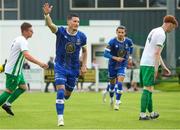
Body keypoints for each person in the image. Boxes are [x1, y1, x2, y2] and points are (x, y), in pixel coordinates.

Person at [43, 3, 87, 126]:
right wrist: (47, 14)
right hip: (60, 67)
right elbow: (51, 25)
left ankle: (62, 100)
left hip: (73, 69)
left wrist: (83, 65)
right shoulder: (61, 31)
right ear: (69, 22)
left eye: (78, 21)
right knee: (60, 91)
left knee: (67, 95)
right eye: (74, 21)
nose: (77, 23)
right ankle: (60, 118)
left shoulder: (82, 36)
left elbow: (85, 50)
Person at [0, 22, 48, 116]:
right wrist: (40, 63)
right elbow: (26, 55)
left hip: (17, 70)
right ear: (25, 31)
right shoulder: (23, 41)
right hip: (14, 71)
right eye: (31, 31)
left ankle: (7, 104)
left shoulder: (18, 39)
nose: (32, 32)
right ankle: (6, 103)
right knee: (9, 91)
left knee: (23, 87)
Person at [139, 15, 178, 120]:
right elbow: (156, 53)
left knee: (150, 88)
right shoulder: (162, 34)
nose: (172, 29)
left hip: (144, 62)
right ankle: (142, 114)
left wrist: (164, 67)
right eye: (173, 27)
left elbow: (156, 52)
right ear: (170, 24)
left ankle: (151, 113)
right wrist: (156, 69)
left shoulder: (154, 30)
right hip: (150, 64)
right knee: (147, 88)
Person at [104, 25, 133, 110]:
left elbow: (131, 48)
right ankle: (112, 98)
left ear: (125, 33)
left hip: (122, 65)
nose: (120, 34)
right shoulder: (112, 42)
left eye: (122, 32)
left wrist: (130, 57)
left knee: (120, 83)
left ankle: (117, 102)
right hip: (112, 65)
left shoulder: (129, 41)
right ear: (116, 32)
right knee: (112, 86)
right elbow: (105, 54)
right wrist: (116, 58)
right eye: (119, 32)